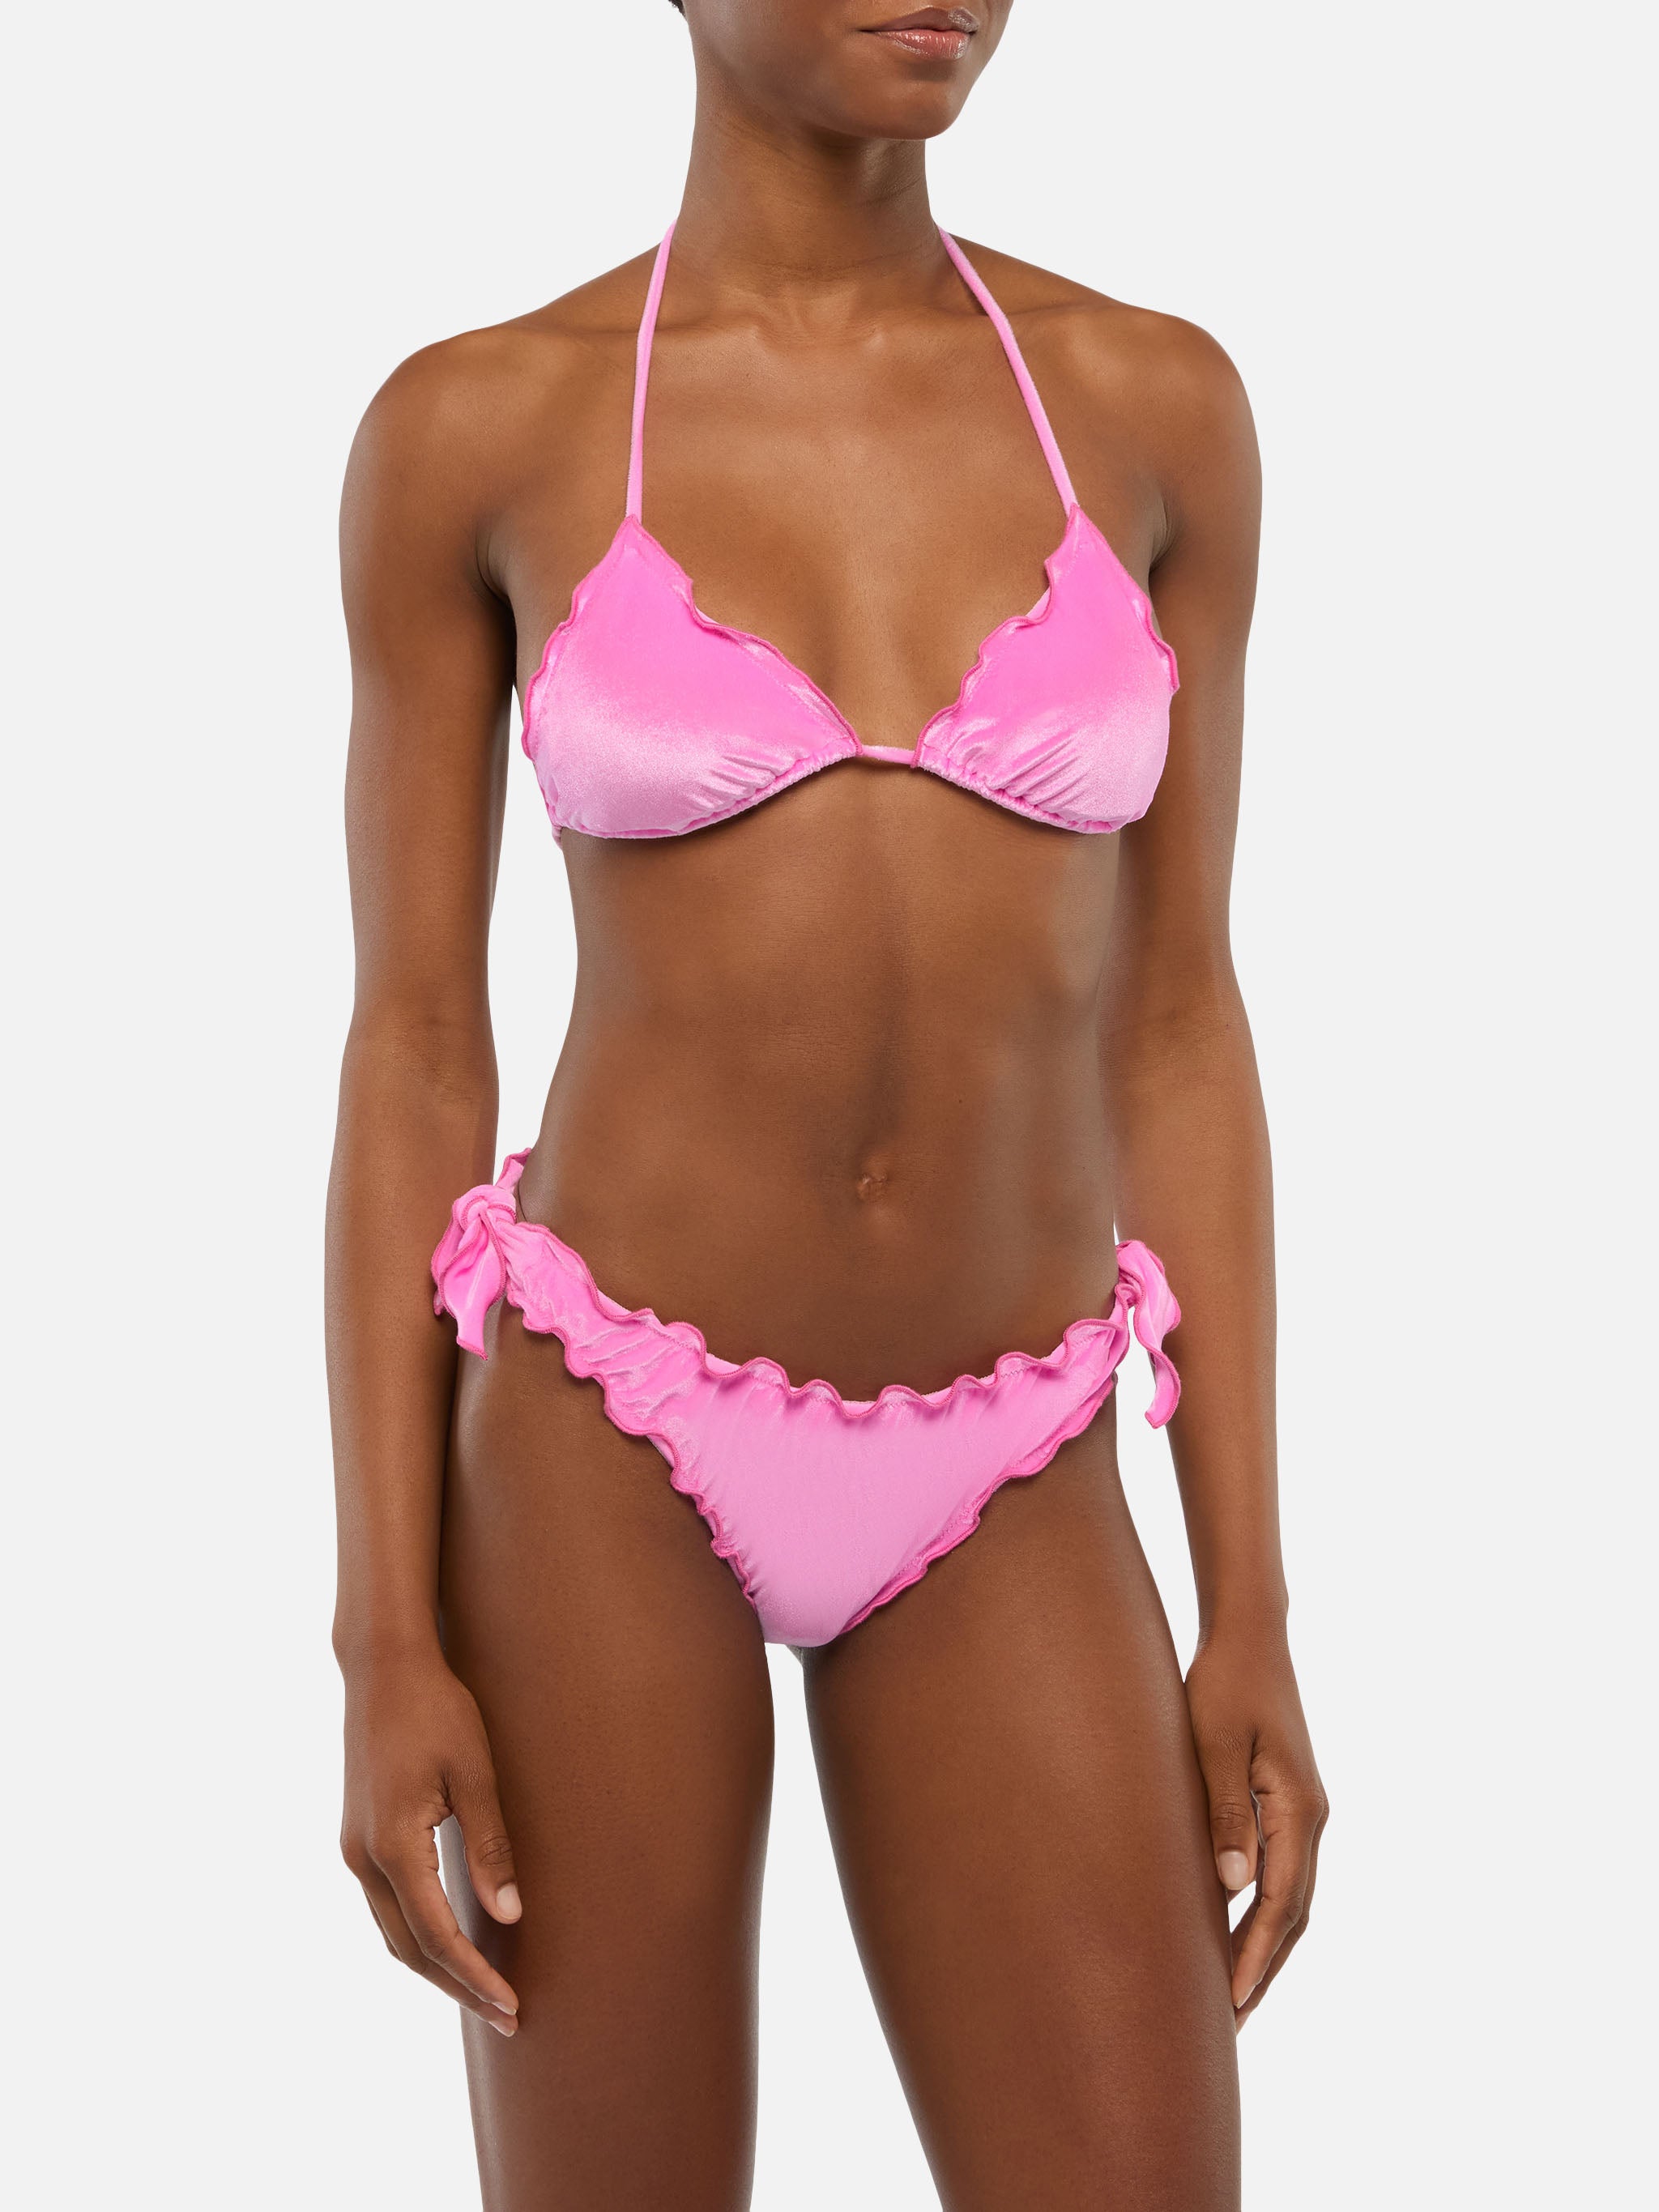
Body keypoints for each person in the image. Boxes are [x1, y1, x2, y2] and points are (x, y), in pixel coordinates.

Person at [326, 3, 1328, 2203]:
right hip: (607, 1439)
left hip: (1015, 1446)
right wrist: (382, 1630)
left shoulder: (1153, 408)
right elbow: (413, 1038)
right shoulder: (481, 429)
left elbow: (1178, 1021)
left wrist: (1248, 1594)